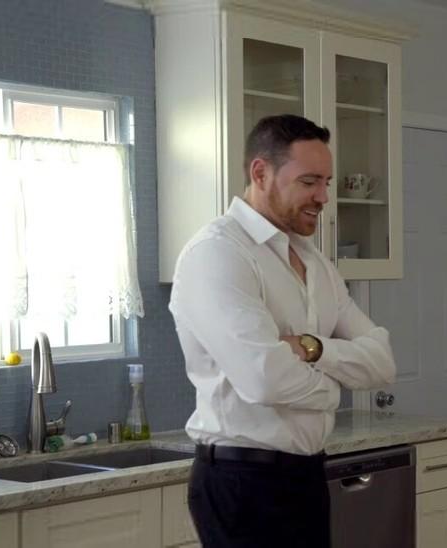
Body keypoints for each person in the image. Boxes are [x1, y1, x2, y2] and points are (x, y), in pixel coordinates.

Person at [169, 114, 396, 547]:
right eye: (309, 182)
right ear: (261, 173)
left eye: (326, 182)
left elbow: (382, 361)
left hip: (306, 473)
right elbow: (264, 378)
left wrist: (312, 349)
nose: (323, 197)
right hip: (242, 481)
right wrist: (334, 391)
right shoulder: (217, 253)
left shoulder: (315, 263)